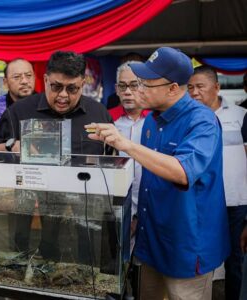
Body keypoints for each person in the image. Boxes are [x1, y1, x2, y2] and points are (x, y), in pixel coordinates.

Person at [86, 47, 229, 300]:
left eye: (146, 84)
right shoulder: (153, 119)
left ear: (173, 88)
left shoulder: (202, 121)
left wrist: (127, 145)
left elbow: (183, 172)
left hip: (185, 242)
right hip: (151, 239)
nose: (138, 89)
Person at [0, 51, 113, 258]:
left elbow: (111, 161)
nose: (63, 95)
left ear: (83, 83)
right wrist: (11, 145)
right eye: (56, 87)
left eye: (72, 89)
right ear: (45, 79)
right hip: (30, 208)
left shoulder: (98, 113)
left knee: (86, 254)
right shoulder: (19, 111)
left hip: (85, 213)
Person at [188, 65, 247, 300]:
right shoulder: (188, 119)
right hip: (203, 202)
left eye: (200, 87)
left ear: (217, 87)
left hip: (236, 201)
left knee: (235, 259)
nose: (194, 92)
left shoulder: (240, 116)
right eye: (190, 87)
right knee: (202, 257)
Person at [108, 61, 149, 248]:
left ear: (145, 86)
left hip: (150, 204)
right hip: (116, 202)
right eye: (123, 86)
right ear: (116, 89)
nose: (127, 91)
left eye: (134, 85)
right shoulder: (107, 119)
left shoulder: (158, 120)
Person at [0, 58, 35, 139]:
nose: (24, 81)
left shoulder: (47, 103)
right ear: (5, 83)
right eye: (17, 77)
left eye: (29, 75)